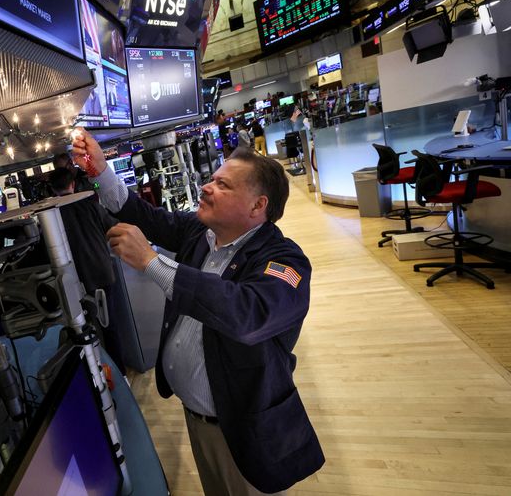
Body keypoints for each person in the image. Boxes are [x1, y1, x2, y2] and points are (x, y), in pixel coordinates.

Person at [71, 127, 323, 495]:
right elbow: (146, 216)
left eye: (224, 185)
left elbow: (246, 314)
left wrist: (152, 263)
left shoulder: (284, 261)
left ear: (258, 206)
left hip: (243, 428)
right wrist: (100, 172)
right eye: (212, 179)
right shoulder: (201, 233)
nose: (207, 187)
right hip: (198, 419)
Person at [48, 167, 127, 374]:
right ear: (72, 184)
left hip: (77, 282)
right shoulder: (90, 204)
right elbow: (114, 226)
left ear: (52, 189)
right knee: (110, 326)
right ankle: (120, 374)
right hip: (103, 273)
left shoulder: (52, 216)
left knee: (84, 329)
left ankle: (97, 373)